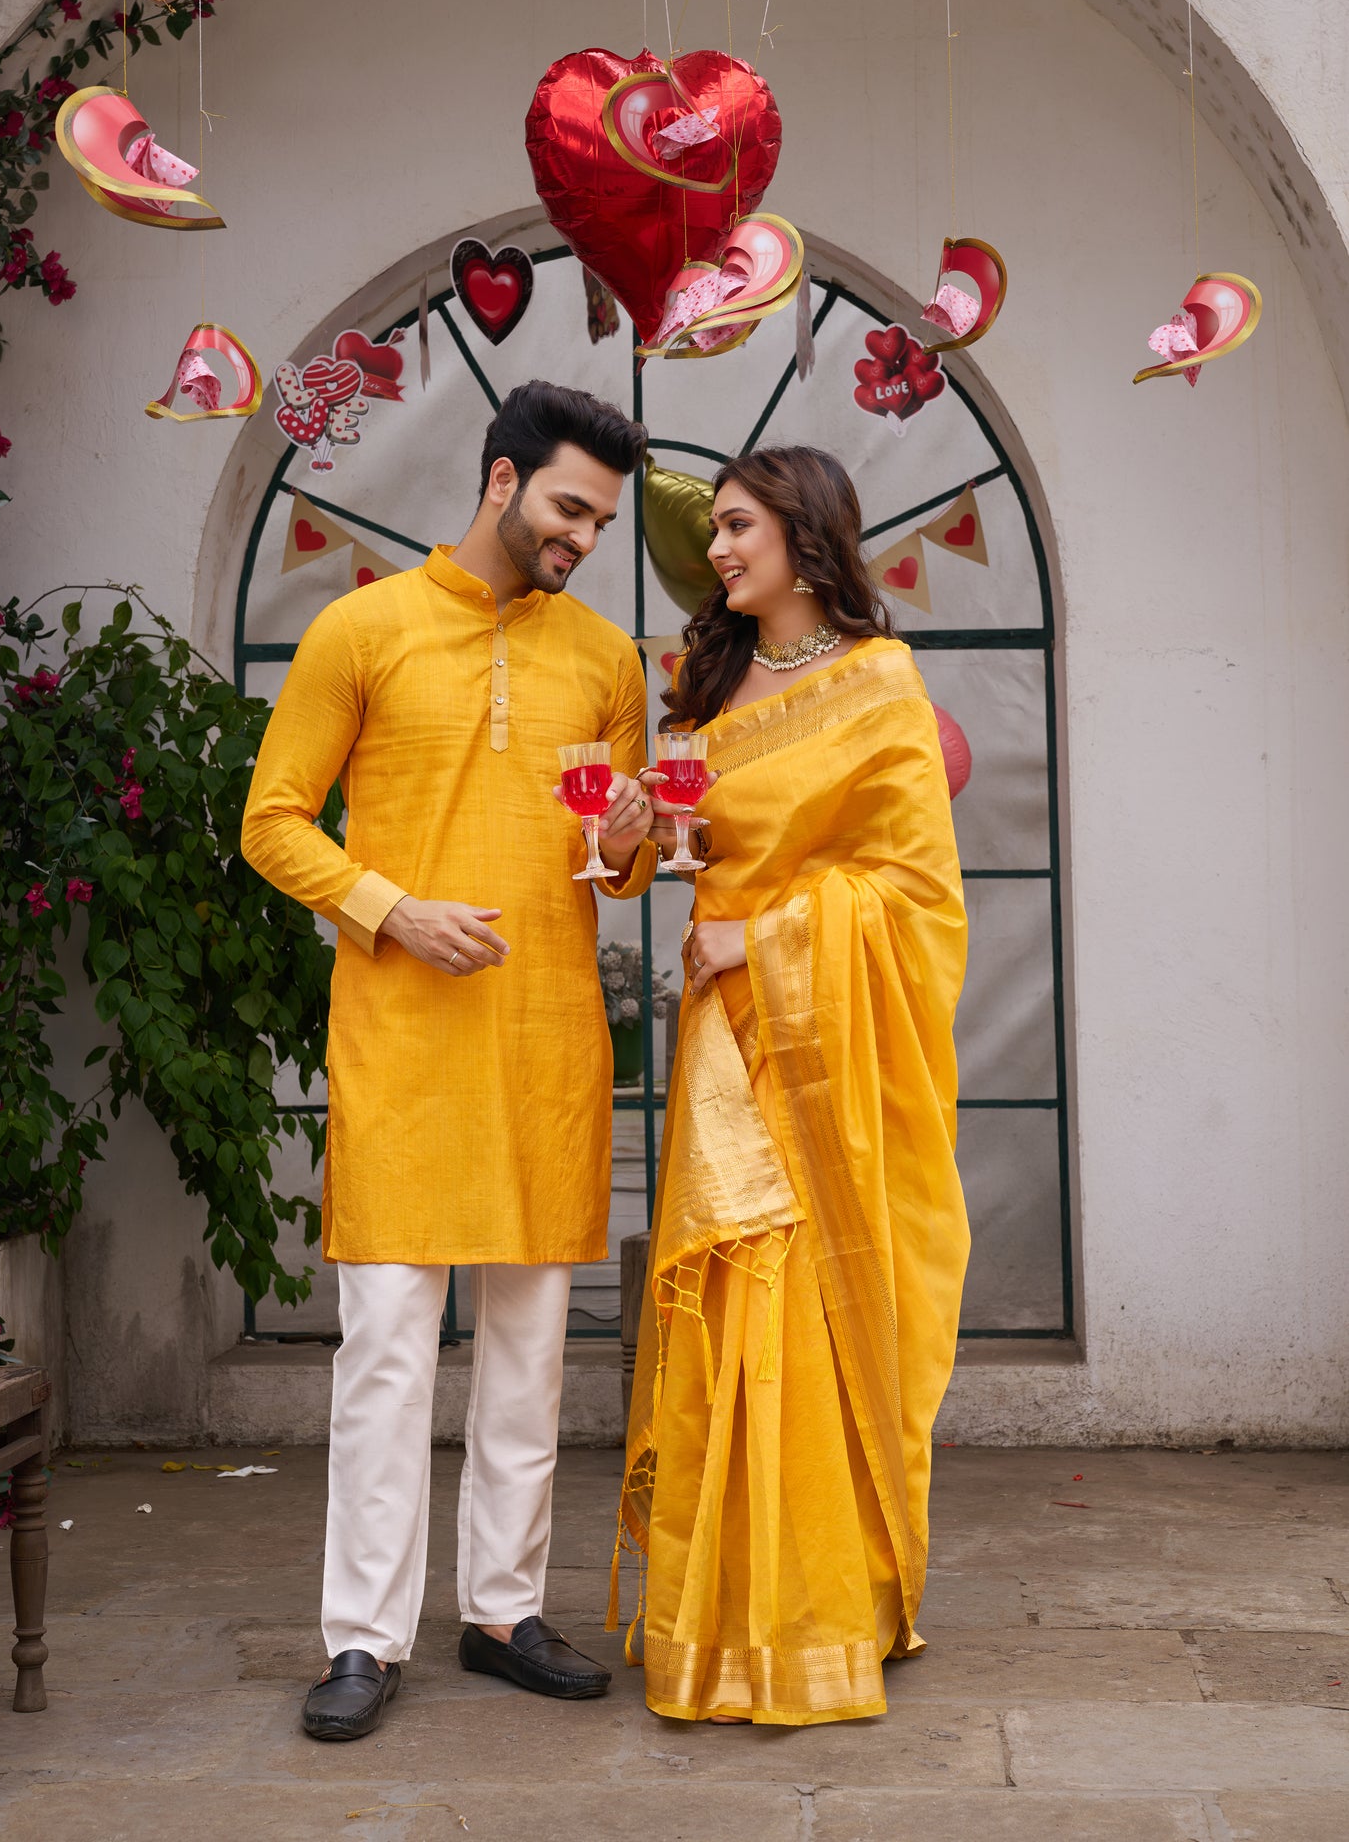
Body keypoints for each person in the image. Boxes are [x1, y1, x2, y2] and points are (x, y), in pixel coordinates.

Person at [242, 380, 658, 1740]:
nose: (584, 536)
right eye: (567, 507)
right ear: (499, 480)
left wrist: (638, 833)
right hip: (403, 1046)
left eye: (600, 518)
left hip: (545, 1045)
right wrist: (388, 908)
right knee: (387, 1359)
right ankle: (362, 1639)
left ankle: (502, 1612)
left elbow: (619, 861)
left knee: (531, 1358)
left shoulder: (605, 659)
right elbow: (273, 822)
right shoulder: (362, 631)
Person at [615, 444, 970, 1726]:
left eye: (737, 526)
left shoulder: (877, 684)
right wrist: (643, 842)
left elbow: (918, 895)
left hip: (819, 1043)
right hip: (724, 1038)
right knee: (728, 1296)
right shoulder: (707, 685)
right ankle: (714, 1615)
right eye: (712, 530)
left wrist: (757, 938)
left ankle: (821, 1610)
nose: (715, 551)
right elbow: (674, 849)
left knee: (806, 1303)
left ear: (804, 534)